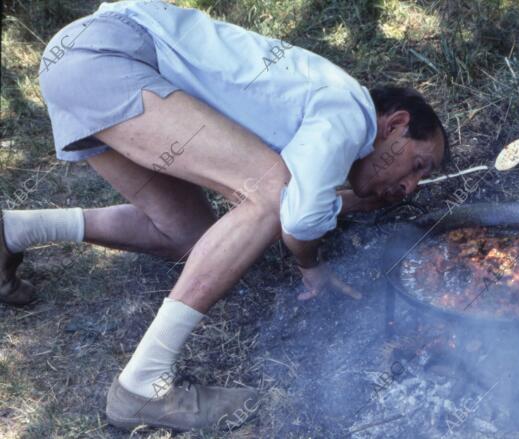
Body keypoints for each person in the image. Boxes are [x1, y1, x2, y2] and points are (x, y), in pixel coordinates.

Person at [0, 0, 448, 432]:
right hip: (110, 54)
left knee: (189, 236)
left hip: (83, 66)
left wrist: (352, 201)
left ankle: (14, 230)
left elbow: (297, 194)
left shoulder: (318, 118)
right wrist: (312, 267)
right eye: (419, 164)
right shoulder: (353, 111)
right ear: (395, 124)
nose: (410, 187)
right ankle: (143, 384)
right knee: (270, 195)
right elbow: (293, 211)